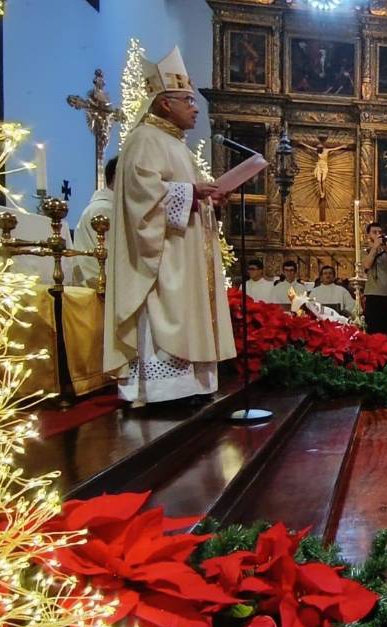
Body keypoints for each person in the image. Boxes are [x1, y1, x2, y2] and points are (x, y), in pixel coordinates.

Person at [104, 47, 236, 405]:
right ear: (165, 104)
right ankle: (162, 390)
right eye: (188, 100)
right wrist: (191, 193)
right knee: (166, 314)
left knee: (188, 312)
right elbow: (139, 196)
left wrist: (207, 200)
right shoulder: (144, 140)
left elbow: (181, 195)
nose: (195, 108)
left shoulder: (174, 144)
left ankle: (191, 386)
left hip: (186, 252)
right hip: (163, 260)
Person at [68, 155, 116, 287]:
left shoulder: (106, 207)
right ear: (117, 177)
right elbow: (117, 260)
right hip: (101, 286)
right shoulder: (104, 210)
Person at [361, 222, 387, 334]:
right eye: (374, 232)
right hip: (372, 294)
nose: (378, 234)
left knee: (386, 329)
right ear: (368, 235)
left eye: (380, 232)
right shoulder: (364, 251)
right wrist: (375, 248)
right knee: (373, 329)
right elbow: (366, 265)